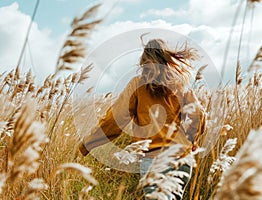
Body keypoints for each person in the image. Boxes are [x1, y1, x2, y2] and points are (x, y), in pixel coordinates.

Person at [79, 38, 206, 199]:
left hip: (153, 161)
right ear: (167, 60)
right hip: (182, 160)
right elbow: (198, 116)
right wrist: (190, 141)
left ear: (144, 61)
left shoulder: (137, 86)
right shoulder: (181, 86)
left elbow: (114, 120)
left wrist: (87, 144)